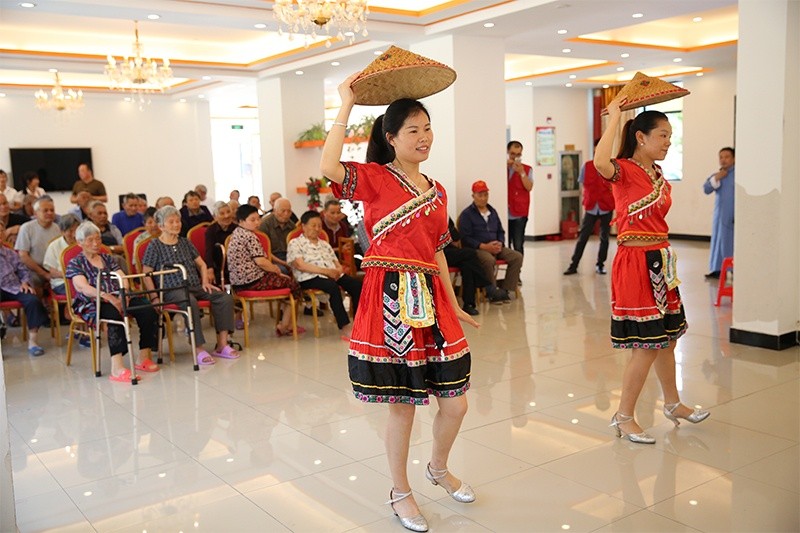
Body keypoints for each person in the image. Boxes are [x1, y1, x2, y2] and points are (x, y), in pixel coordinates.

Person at [320, 77, 479, 532]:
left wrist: (454, 301)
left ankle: (438, 468)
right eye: (413, 130)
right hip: (390, 294)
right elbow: (329, 165)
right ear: (390, 137)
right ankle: (400, 492)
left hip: (431, 297)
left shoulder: (437, 189)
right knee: (403, 404)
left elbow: (438, 249)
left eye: (427, 128)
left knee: (455, 404)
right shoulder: (373, 178)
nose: (424, 137)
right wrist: (346, 105)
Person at [595, 95, 710, 445]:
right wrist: (615, 116)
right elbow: (599, 161)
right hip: (635, 263)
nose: (668, 142)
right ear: (641, 137)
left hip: (661, 260)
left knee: (668, 339)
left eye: (670, 136)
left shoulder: (658, 175)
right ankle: (623, 416)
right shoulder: (623, 170)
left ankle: (672, 403)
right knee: (645, 346)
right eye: (662, 135)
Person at [141, 206, 239, 364]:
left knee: (224, 298)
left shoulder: (185, 242)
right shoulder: (155, 246)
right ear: (161, 226)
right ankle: (198, 348)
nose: (176, 224)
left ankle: (222, 345)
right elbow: (147, 274)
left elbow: (202, 264)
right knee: (190, 302)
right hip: (171, 290)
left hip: (194, 285)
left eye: (178, 221)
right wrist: (154, 297)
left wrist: (205, 282)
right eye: (171, 222)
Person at [66, 221, 160, 380]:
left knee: (147, 309)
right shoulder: (76, 263)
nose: (96, 243)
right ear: (80, 242)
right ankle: (117, 367)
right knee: (114, 316)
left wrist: (124, 294)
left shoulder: (107, 258)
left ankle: (143, 357)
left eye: (98, 239)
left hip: (118, 295)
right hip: (93, 301)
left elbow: (122, 277)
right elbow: (83, 287)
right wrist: (108, 297)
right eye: (90, 240)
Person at [229, 204, 304, 337]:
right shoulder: (249, 236)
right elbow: (261, 262)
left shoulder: (236, 233)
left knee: (286, 281)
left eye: (258, 219)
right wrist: (276, 270)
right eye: (252, 220)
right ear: (241, 221)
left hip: (238, 282)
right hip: (252, 281)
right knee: (294, 284)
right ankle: (285, 326)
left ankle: (287, 323)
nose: (257, 222)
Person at [287, 210, 362, 338]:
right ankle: (344, 326)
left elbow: (336, 262)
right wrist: (327, 272)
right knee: (332, 287)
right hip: (309, 277)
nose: (317, 229)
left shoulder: (324, 244)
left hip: (331, 274)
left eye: (319, 226)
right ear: (303, 226)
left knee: (356, 285)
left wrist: (338, 270)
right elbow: (300, 265)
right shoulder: (295, 243)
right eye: (313, 225)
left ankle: (359, 323)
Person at [458, 181, 523, 303]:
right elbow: (465, 237)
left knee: (517, 257)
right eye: (480, 195)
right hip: (478, 248)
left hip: (495, 246)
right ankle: (492, 292)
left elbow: (500, 231)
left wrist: (500, 243)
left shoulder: (492, 211)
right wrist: (483, 246)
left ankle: (506, 290)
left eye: (485, 195)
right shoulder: (467, 214)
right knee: (488, 260)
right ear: (473, 196)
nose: (483, 198)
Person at [564, 140, 615, 276]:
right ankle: (573, 265)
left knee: (604, 237)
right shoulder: (586, 166)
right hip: (591, 207)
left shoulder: (611, 166)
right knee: (583, 237)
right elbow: (583, 186)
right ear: (594, 150)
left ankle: (600, 264)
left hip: (606, 206)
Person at [0, 221, 49, 356]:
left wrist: (25, 282)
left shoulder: (10, 253)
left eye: (1, 231)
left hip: (13, 286)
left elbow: (23, 270)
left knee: (32, 300)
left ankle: (33, 342)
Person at [443, 218, 492, 316]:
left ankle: (468, 304)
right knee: (470, 253)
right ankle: (486, 285)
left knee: (467, 265)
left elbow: (456, 236)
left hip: (450, 251)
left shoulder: (445, 217)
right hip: (437, 254)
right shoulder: (426, 215)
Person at [702, 147, 735, 279]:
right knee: (718, 241)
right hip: (720, 216)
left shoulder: (738, 175)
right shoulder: (719, 175)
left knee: (731, 242)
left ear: (734, 159)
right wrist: (716, 178)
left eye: (727, 157)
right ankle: (717, 269)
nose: (723, 160)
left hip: (733, 215)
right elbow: (706, 189)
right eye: (721, 157)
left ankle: (733, 269)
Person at [15, 197, 60, 290]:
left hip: (53, 268)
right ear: (35, 213)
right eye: (45, 210)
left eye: (52, 210)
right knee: (34, 281)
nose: (50, 213)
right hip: (33, 269)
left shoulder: (57, 228)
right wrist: (44, 274)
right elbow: (23, 256)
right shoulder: (26, 228)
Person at [506, 141, 533, 255]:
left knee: (518, 244)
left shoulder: (527, 169)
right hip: (504, 211)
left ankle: (518, 265)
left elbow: (529, 187)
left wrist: (521, 172)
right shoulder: (501, 168)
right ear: (507, 152)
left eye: (518, 154)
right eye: (512, 154)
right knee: (505, 244)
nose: (515, 157)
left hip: (519, 213)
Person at [43, 214, 80, 295]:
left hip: (83, 281)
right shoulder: (54, 246)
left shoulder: (83, 243)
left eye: (76, 231)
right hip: (62, 282)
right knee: (84, 292)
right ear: (62, 231)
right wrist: (74, 275)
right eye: (70, 231)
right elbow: (53, 273)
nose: (74, 234)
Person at [258, 197, 296, 275]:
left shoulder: (291, 225)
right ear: (275, 210)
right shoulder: (265, 224)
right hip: (271, 258)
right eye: (283, 211)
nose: (286, 214)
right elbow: (264, 251)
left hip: (289, 256)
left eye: (289, 211)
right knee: (283, 270)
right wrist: (284, 263)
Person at [204, 201, 236, 286]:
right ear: (215, 217)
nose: (226, 216)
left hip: (236, 265)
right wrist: (210, 269)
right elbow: (209, 251)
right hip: (219, 266)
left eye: (228, 212)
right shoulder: (211, 230)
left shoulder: (237, 229)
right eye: (222, 213)